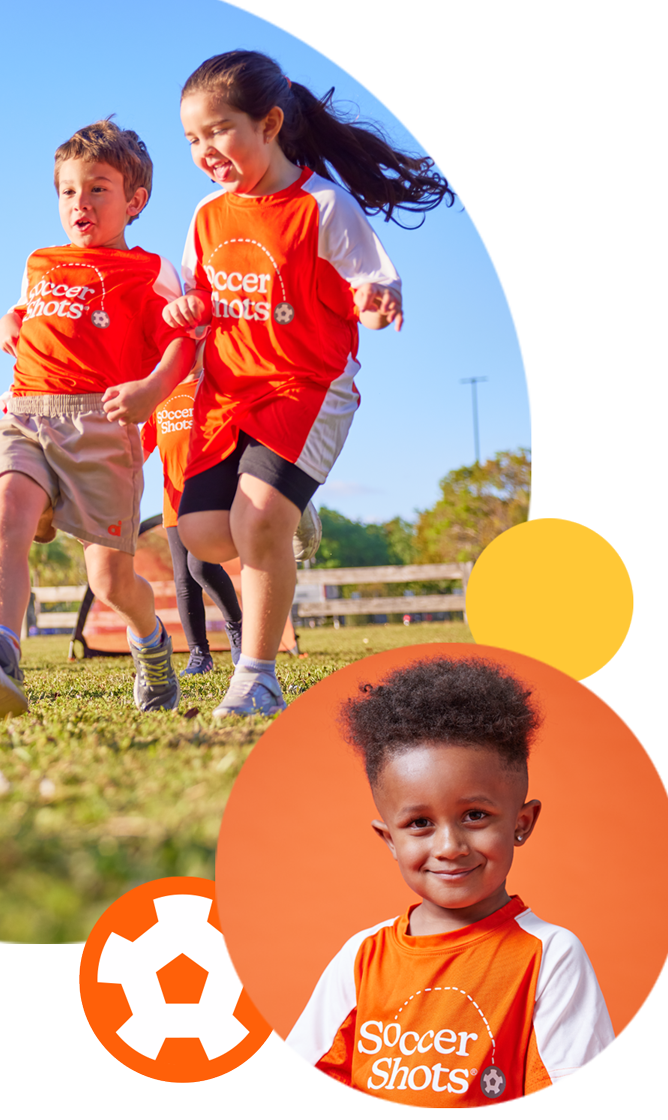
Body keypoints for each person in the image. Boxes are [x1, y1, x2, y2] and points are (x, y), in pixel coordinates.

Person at [163, 50, 457, 717]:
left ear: (268, 123)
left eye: (218, 130)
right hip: (227, 391)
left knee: (259, 519)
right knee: (206, 537)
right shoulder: (208, 216)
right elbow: (192, 300)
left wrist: (377, 304)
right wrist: (183, 310)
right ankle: (290, 510)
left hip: (307, 387)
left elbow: (371, 288)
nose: (205, 150)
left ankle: (257, 676)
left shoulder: (324, 206)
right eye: (191, 139)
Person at [0, 119, 197, 718]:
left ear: (135, 201)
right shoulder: (41, 259)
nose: (81, 202)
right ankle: (2, 649)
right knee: (9, 516)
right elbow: (22, 307)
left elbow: (185, 343)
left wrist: (153, 390)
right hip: (26, 413)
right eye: (68, 191)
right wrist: (7, 324)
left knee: (109, 582)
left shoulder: (151, 270)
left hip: (101, 427)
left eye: (98, 188)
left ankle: (150, 645)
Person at [285, 657, 615, 1106]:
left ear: (522, 822)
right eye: (420, 823)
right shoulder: (362, 958)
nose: (450, 846)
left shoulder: (550, 956)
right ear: (389, 839)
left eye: (475, 816)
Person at [140, 349, 243, 675]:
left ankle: (238, 628)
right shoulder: (161, 398)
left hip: (212, 498)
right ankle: (200, 655)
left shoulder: (217, 391)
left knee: (200, 565)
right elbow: (141, 450)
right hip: (174, 504)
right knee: (184, 581)